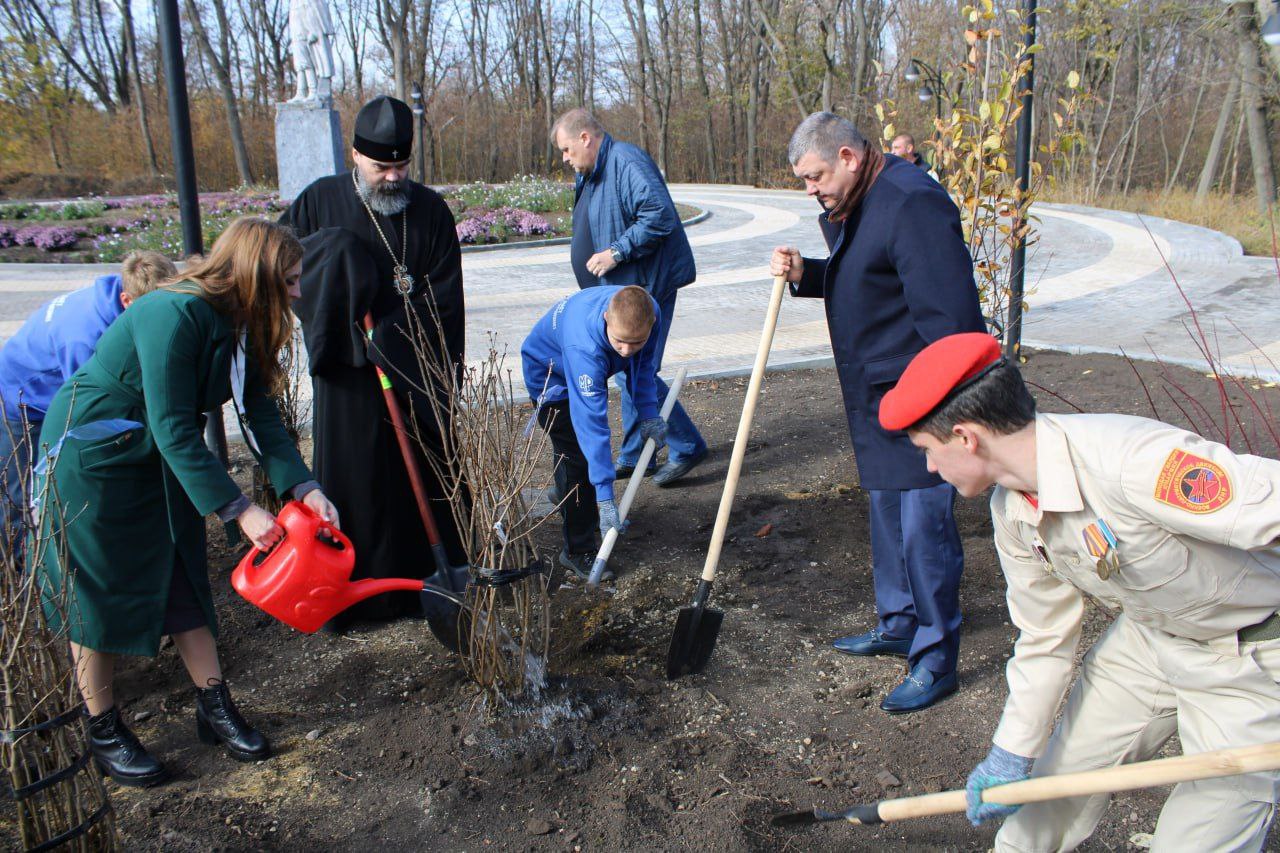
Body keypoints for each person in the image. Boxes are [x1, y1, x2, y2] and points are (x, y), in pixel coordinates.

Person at [878, 332, 1280, 851]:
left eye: (927, 452)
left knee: (1201, 836)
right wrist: (1010, 754)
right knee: (1045, 802)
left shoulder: (1132, 462)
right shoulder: (1013, 512)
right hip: (1148, 641)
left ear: (965, 437)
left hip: (1251, 658)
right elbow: (1044, 634)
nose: (930, 468)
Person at [33, 218, 340, 788]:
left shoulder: (241, 321)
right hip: (95, 458)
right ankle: (102, 727)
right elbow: (175, 427)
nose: (299, 293)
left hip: (155, 454)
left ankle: (212, 703)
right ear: (257, 277)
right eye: (291, 281)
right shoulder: (175, 315)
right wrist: (240, 509)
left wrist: (306, 486)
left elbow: (262, 412)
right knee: (97, 592)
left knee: (181, 572)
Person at [770, 112, 985, 714]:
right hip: (881, 393)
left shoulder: (911, 202)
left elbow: (952, 319)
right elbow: (870, 274)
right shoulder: (860, 199)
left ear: (849, 156)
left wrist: (950, 411)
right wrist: (807, 274)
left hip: (925, 396)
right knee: (887, 511)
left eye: (814, 177)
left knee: (924, 529)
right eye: (803, 181)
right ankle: (899, 621)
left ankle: (937, 656)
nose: (809, 190)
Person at [281, 94, 468, 627]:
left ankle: (420, 587)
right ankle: (359, 598)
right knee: (357, 484)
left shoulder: (430, 211)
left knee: (421, 479)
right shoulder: (318, 202)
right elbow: (281, 267)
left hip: (408, 370)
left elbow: (445, 299)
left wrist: (388, 337)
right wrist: (338, 278)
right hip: (346, 376)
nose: (391, 177)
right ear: (355, 156)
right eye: (380, 166)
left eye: (400, 166)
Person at [551, 107, 707, 488]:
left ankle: (686, 445)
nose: (566, 159)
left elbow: (659, 215)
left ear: (585, 138)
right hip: (618, 290)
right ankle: (638, 455)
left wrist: (616, 253)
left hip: (646, 288)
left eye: (568, 150)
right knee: (629, 372)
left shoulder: (625, 161)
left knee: (639, 373)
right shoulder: (593, 172)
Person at [0, 251, 176, 546]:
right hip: (18, 401)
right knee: (16, 495)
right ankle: (21, 573)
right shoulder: (85, 337)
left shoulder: (119, 291)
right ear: (127, 301)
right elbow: (89, 409)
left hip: (43, 392)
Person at [521, 285, 666, 581]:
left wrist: (649, 414)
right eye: (620, 341)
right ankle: (577, 550)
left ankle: (569, 498)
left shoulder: (649, 311)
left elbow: (643, 367)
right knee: (577, 460)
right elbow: (593, 425)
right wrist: (604, 496)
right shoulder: (584, 348)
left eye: (635, 342)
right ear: (605, 319)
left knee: (578, 466)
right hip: (550, 377)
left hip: (575, 358)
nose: (626, 350)